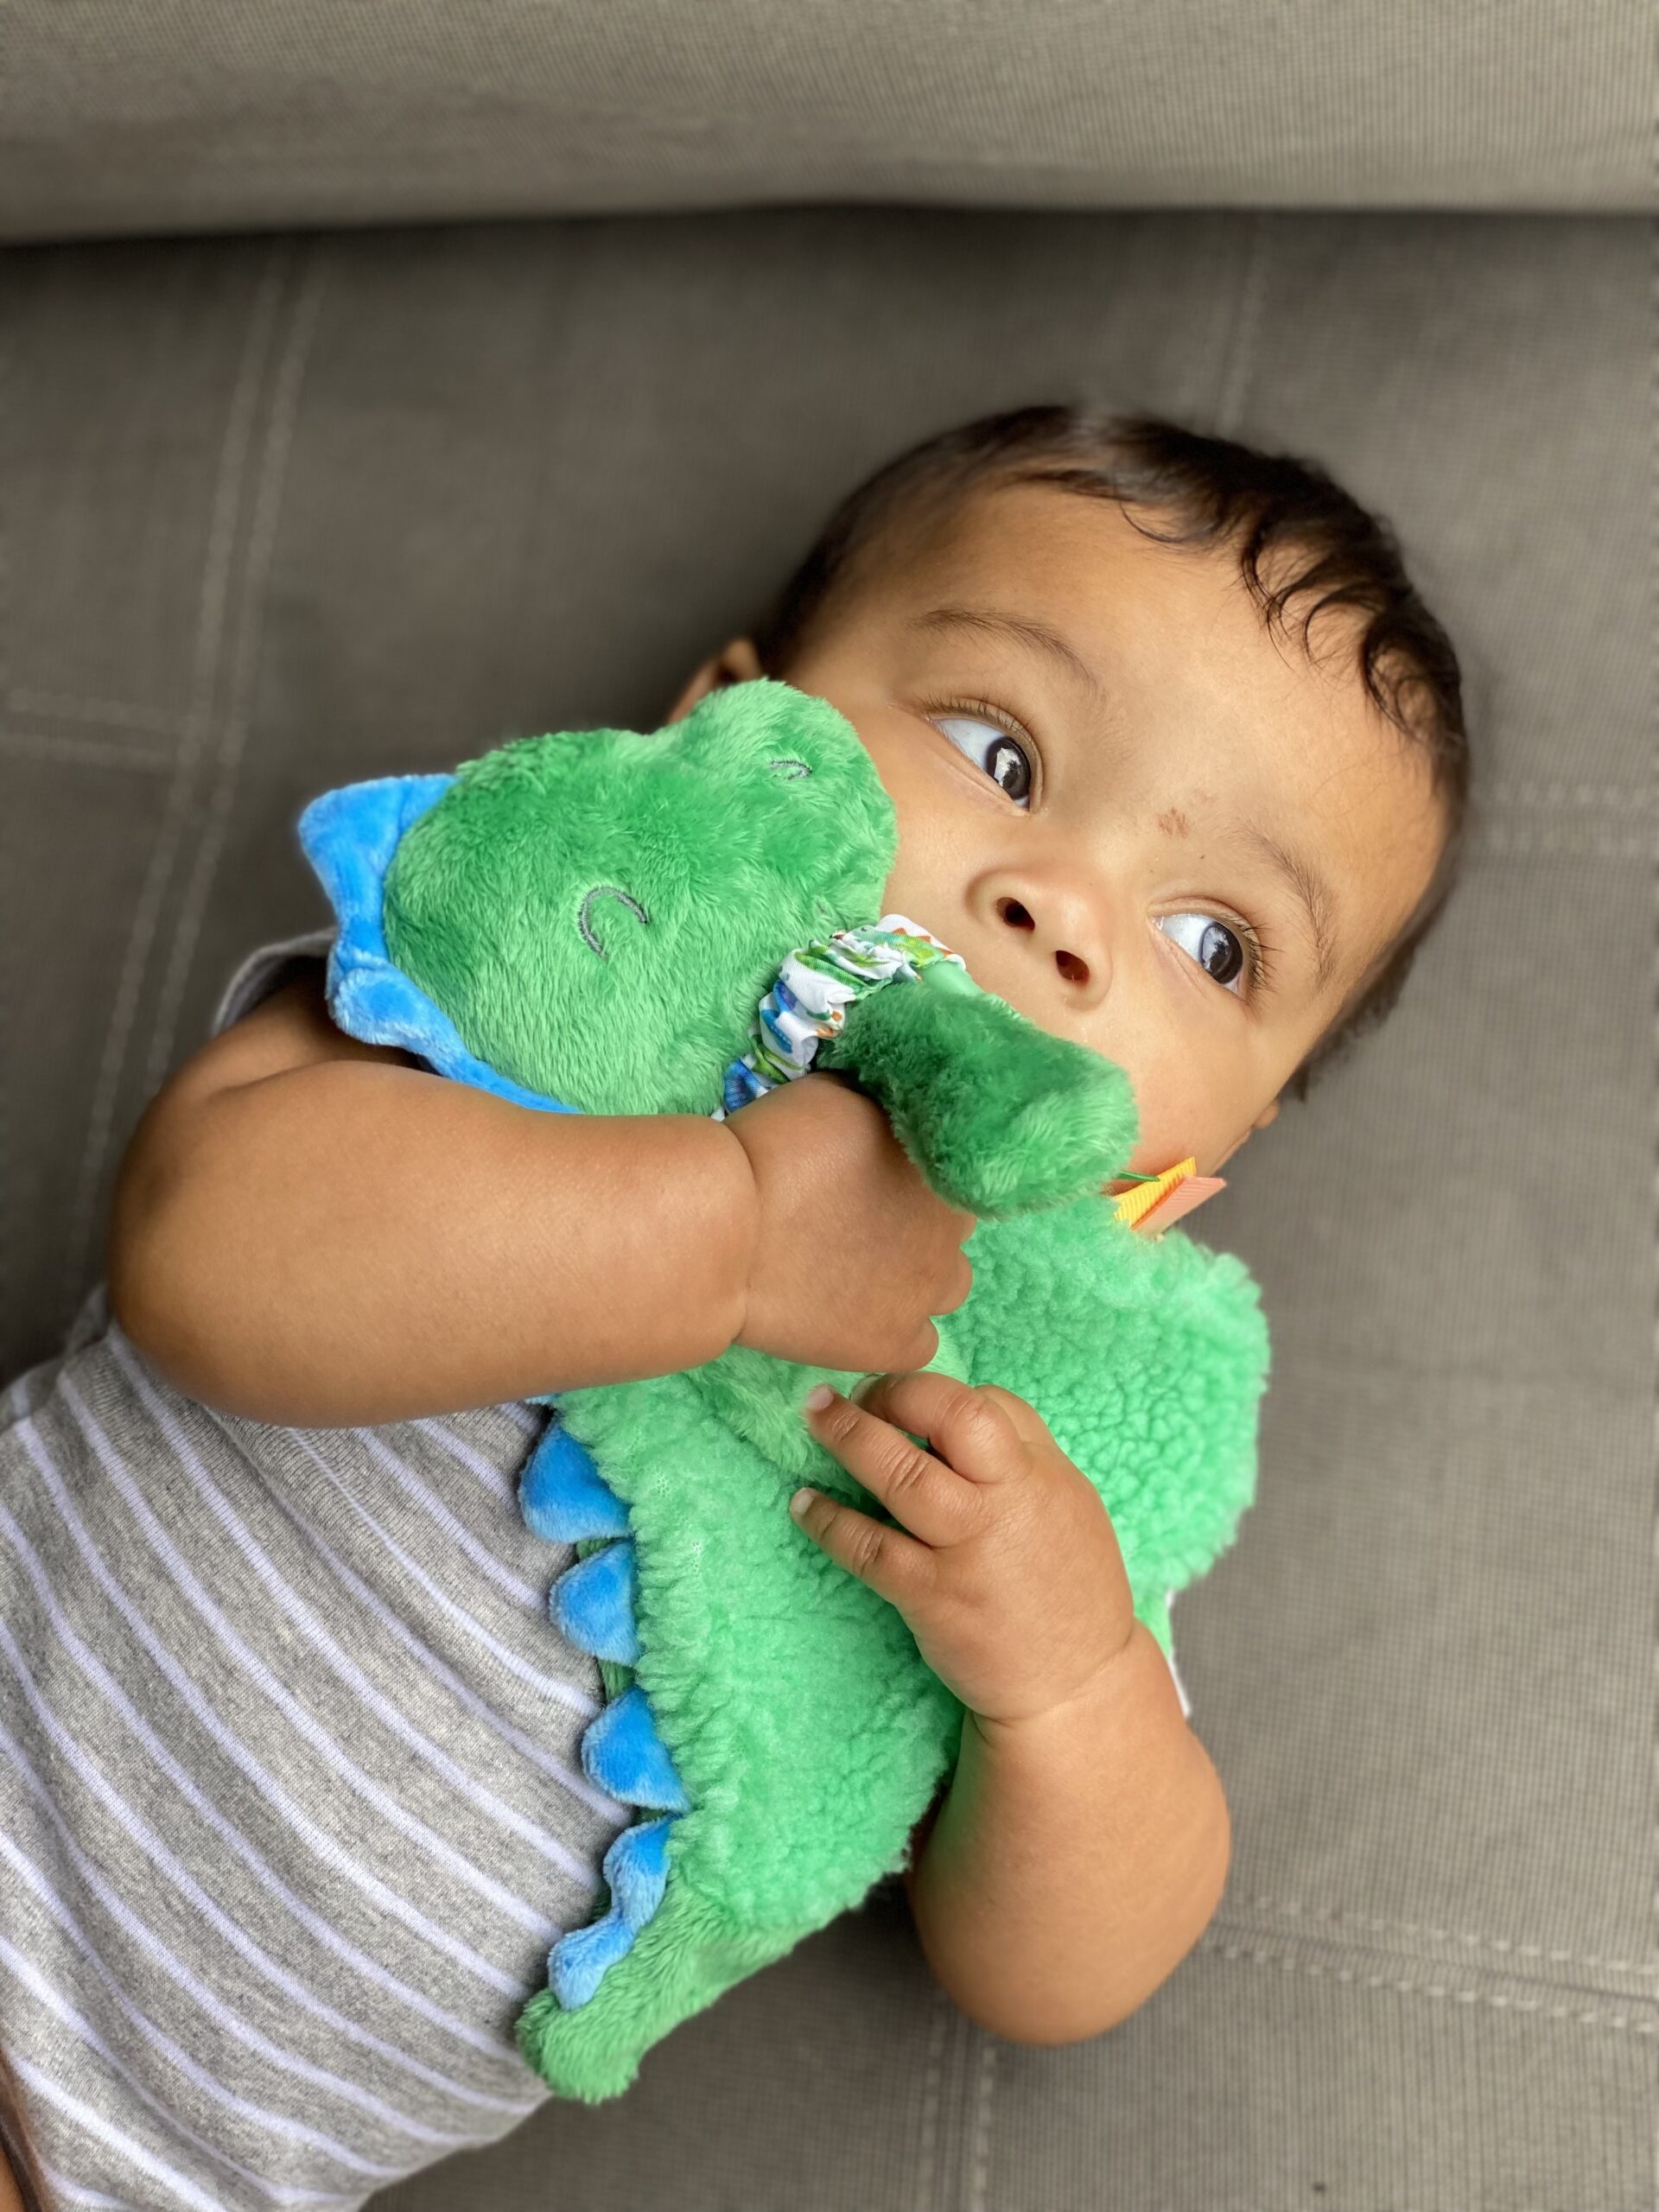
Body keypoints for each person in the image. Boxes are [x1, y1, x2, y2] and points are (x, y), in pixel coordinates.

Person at [0, 407, 1467, 2211]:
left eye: (1217, 943)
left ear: (1217, 1152)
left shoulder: (1040, 1440)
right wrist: (734, 1230)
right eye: (999, 748)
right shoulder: (554, 969)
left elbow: (1060, 1972)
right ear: (726, 726)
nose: (1067, 908)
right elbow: (204, 1253)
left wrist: (1070, 1681)